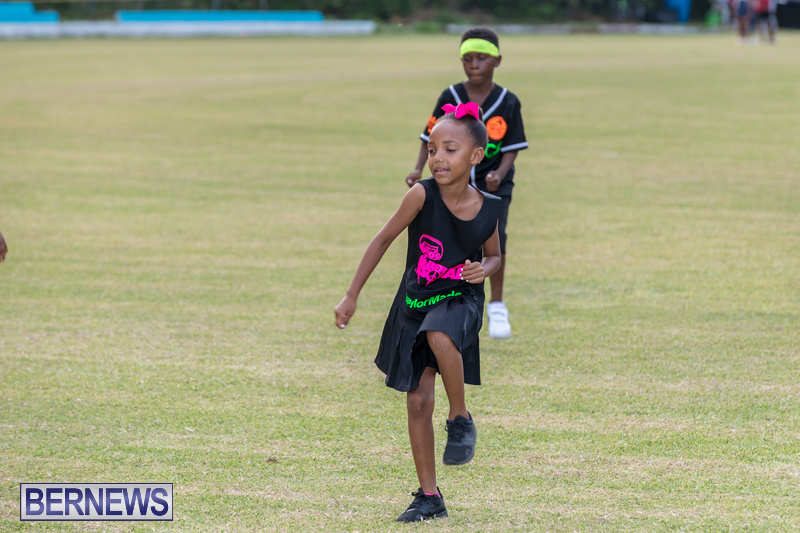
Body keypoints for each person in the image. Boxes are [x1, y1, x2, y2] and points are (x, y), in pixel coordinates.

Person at [336, 103, 501, 522]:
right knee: (417, 402)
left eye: (449, 150)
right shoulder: (420, 195)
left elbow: (495, 255)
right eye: (432, 150)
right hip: (414, 302)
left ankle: (460, 417)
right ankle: (430, 497)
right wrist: (352, 295)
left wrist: (484, 269)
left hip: (459, 298)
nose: (438, 158)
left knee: (441, 335)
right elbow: (381, 240)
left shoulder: (488, 207)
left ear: (476, 155)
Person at [405, 26, 527, 339]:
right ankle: (449, 299)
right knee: (449, 242)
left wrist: (500, 174)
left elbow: (512, 146)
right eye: (467, 58)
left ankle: (496, 305)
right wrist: (418, 169)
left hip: (493, 186)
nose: (474, 64)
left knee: (495, 241)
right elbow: (430, 136)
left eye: (481, 58)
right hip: (450, 186)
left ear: (497, 61)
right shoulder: (450, 96)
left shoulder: (508, 101)